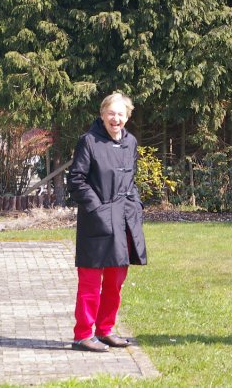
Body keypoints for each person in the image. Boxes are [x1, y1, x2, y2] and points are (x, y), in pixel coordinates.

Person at [67, 92, 147, 352]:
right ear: (102, 114)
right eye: (111, 113)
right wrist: (98, 208)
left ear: (127, 116)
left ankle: (105, 330)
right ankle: (82, 335)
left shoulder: (130, 142)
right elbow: (76, 180)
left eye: (120, 114)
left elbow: (130, 181)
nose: (116, 119)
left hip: (124, 221)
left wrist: (136, 206)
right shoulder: (88, 141)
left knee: (115, 282)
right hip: (97, 222)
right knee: (90, 282)